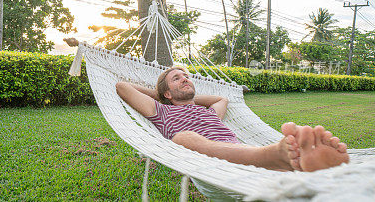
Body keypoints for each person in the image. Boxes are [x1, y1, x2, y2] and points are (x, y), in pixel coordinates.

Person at [116, 67, 349, 172]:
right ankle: (276, 157)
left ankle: (298, 162)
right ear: (165, 93)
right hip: (200, 156)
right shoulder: (162, 111)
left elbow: (221, 99)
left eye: (187, 77)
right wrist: (164, 97)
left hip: (237, 150)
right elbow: (122, 87)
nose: (186, 79)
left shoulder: (208, 113)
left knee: (249, 151)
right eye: (177, 79)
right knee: (183, 137)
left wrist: (188, 96)